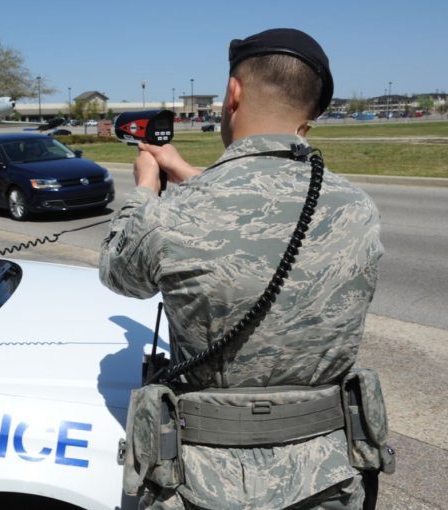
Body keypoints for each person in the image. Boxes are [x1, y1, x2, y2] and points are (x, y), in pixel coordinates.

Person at [100, 28, 384, 509]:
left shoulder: (175, 215)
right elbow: (267, 212)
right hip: (330, 478)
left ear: (234, 93)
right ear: (310, 112)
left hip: (202, 484)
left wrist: (146, 189)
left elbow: (120, 274)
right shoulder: (357, 207)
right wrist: (187, 172)